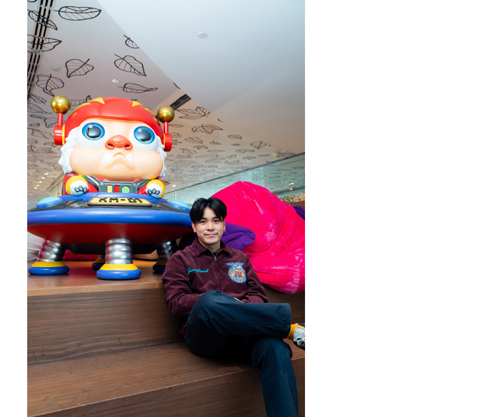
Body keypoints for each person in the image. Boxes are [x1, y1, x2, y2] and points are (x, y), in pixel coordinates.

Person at [161, 197, 305, 417]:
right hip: (206, 337)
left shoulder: (240, 258)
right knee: (209, 301)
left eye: (216, 220)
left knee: (276, 348)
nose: (210, 227)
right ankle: (291, 329)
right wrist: (219, 302)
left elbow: (258, 295)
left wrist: (239, 308)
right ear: (194, 227)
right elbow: (176, 302)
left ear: (224, 225)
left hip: (244, 335)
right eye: (203, 222)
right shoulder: (180, 260)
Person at [56, 97, 169, 197]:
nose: (119, 141)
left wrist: (155, 187)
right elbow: (70, 182)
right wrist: (75, 184)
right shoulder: (79, 179)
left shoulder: (146, 183)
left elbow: (157, 185)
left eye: (143, 136)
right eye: (94, 132)